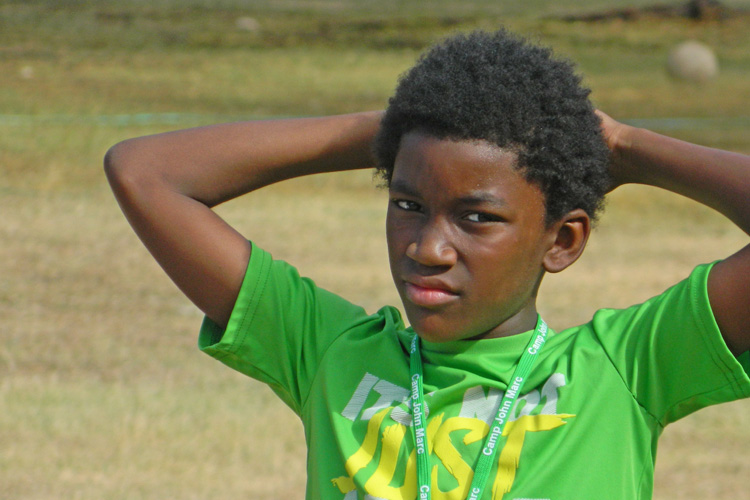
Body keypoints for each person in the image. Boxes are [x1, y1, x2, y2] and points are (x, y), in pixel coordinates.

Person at [104, 29, 749, 500]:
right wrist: (397, 128)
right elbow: (145, 172)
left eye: (476, 217)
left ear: (563, 242)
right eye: (409, 203)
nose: (426, 248)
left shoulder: (625, 370)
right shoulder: (332, 354)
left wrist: (628, 148)